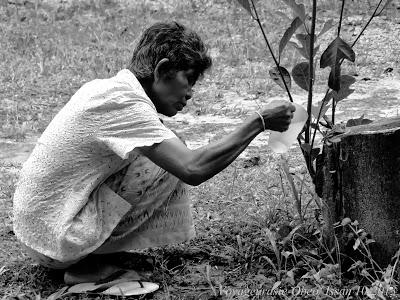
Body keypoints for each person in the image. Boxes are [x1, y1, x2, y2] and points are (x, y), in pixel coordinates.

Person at [12, 21, 295, 284]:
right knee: (168, 160)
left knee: (167, 144)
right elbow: (193, 169)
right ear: (162, 70)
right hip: (55, 240)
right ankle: (86, 266)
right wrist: (258, 122)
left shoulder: (110, 91)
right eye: (189, 79)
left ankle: (97, 251)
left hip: (41, 230)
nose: (190, 93)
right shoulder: (124, 103)